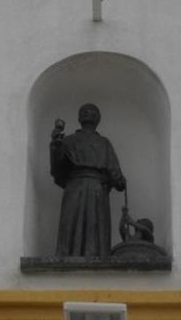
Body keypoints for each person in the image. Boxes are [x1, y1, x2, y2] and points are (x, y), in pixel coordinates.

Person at [49, 103, 126, 258]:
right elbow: (117, 177)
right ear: (98, 119)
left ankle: (72, 256)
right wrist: (120, 181)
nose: (89, 115)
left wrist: (56, 146)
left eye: (90, 112)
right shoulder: (101, 143)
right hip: (92, 189)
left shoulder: (71, 141)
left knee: (78, 225)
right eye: (87, 112)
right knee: (90, 227)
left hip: (79, 188)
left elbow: (58, 170)